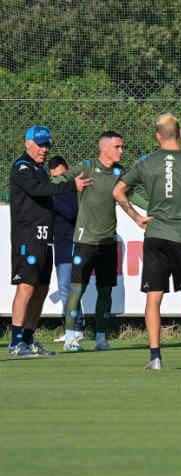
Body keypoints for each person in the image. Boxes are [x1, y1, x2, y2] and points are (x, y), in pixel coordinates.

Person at [113, 113, 181, 370]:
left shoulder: (146, 162)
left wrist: (137, 216)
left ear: (158, 136)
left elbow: (118, 191)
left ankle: (155, 358)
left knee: (154, 297)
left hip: (155, 235)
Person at [8, 126, 92, 357]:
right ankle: (15, 342)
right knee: (26, 287)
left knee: (42, 289)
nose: (44, 149)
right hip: (27, 238)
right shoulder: (22, 167)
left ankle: (28, 338)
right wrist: (69, 185)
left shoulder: (40, 169)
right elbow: (39, 190)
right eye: (40, 144)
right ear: (28, 143)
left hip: (46, 239)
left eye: (47, 145)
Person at [62, 132, 131, 353]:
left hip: (108, 242)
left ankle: (101, 338)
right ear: (105, 148)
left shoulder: (120, 173)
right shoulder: (88, 167)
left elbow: (135, 197)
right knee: (76, 289)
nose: (121, 151)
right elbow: (59, 180)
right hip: (85, 241)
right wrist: (71, 184)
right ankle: (71, 337)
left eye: (122, 147)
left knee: (105, 291)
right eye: (118, 147)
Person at [48, 156, 83, 346]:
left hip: (70, 243)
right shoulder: (56, 191)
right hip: (59, 244)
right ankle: (76, 328)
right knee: (67, 288)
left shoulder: (70, 190)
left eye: (60, 176)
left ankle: (75, 329)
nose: (57, 181)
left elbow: (71, 213)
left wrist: (53, 200)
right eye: (54, 178)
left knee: (67, 289)